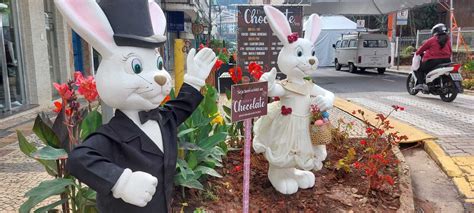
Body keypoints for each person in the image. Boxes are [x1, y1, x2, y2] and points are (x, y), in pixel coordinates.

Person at [414, 23, 452, 91]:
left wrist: (417, 53)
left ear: (435, 32)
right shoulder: (448, 40)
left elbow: (422, 49)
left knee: (419, 69)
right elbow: (450, 51)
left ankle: (421, 84)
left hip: (433, 61)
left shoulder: (432, 40)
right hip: (447, 60)